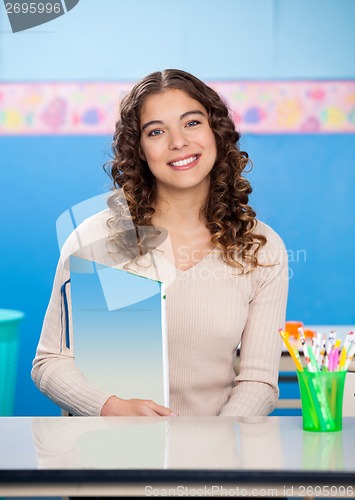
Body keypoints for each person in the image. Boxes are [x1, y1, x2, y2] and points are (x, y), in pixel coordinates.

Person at [32, 69, 288, 417]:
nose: (178, 141)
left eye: (192, 123)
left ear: (217, 133)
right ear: (138, 150)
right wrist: (111, 408)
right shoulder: (93, 239)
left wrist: (216, 448)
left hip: (213, 461)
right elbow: (50, 362)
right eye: (156, 131)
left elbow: (258, 383)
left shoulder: (262, 248)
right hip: (109, 456)